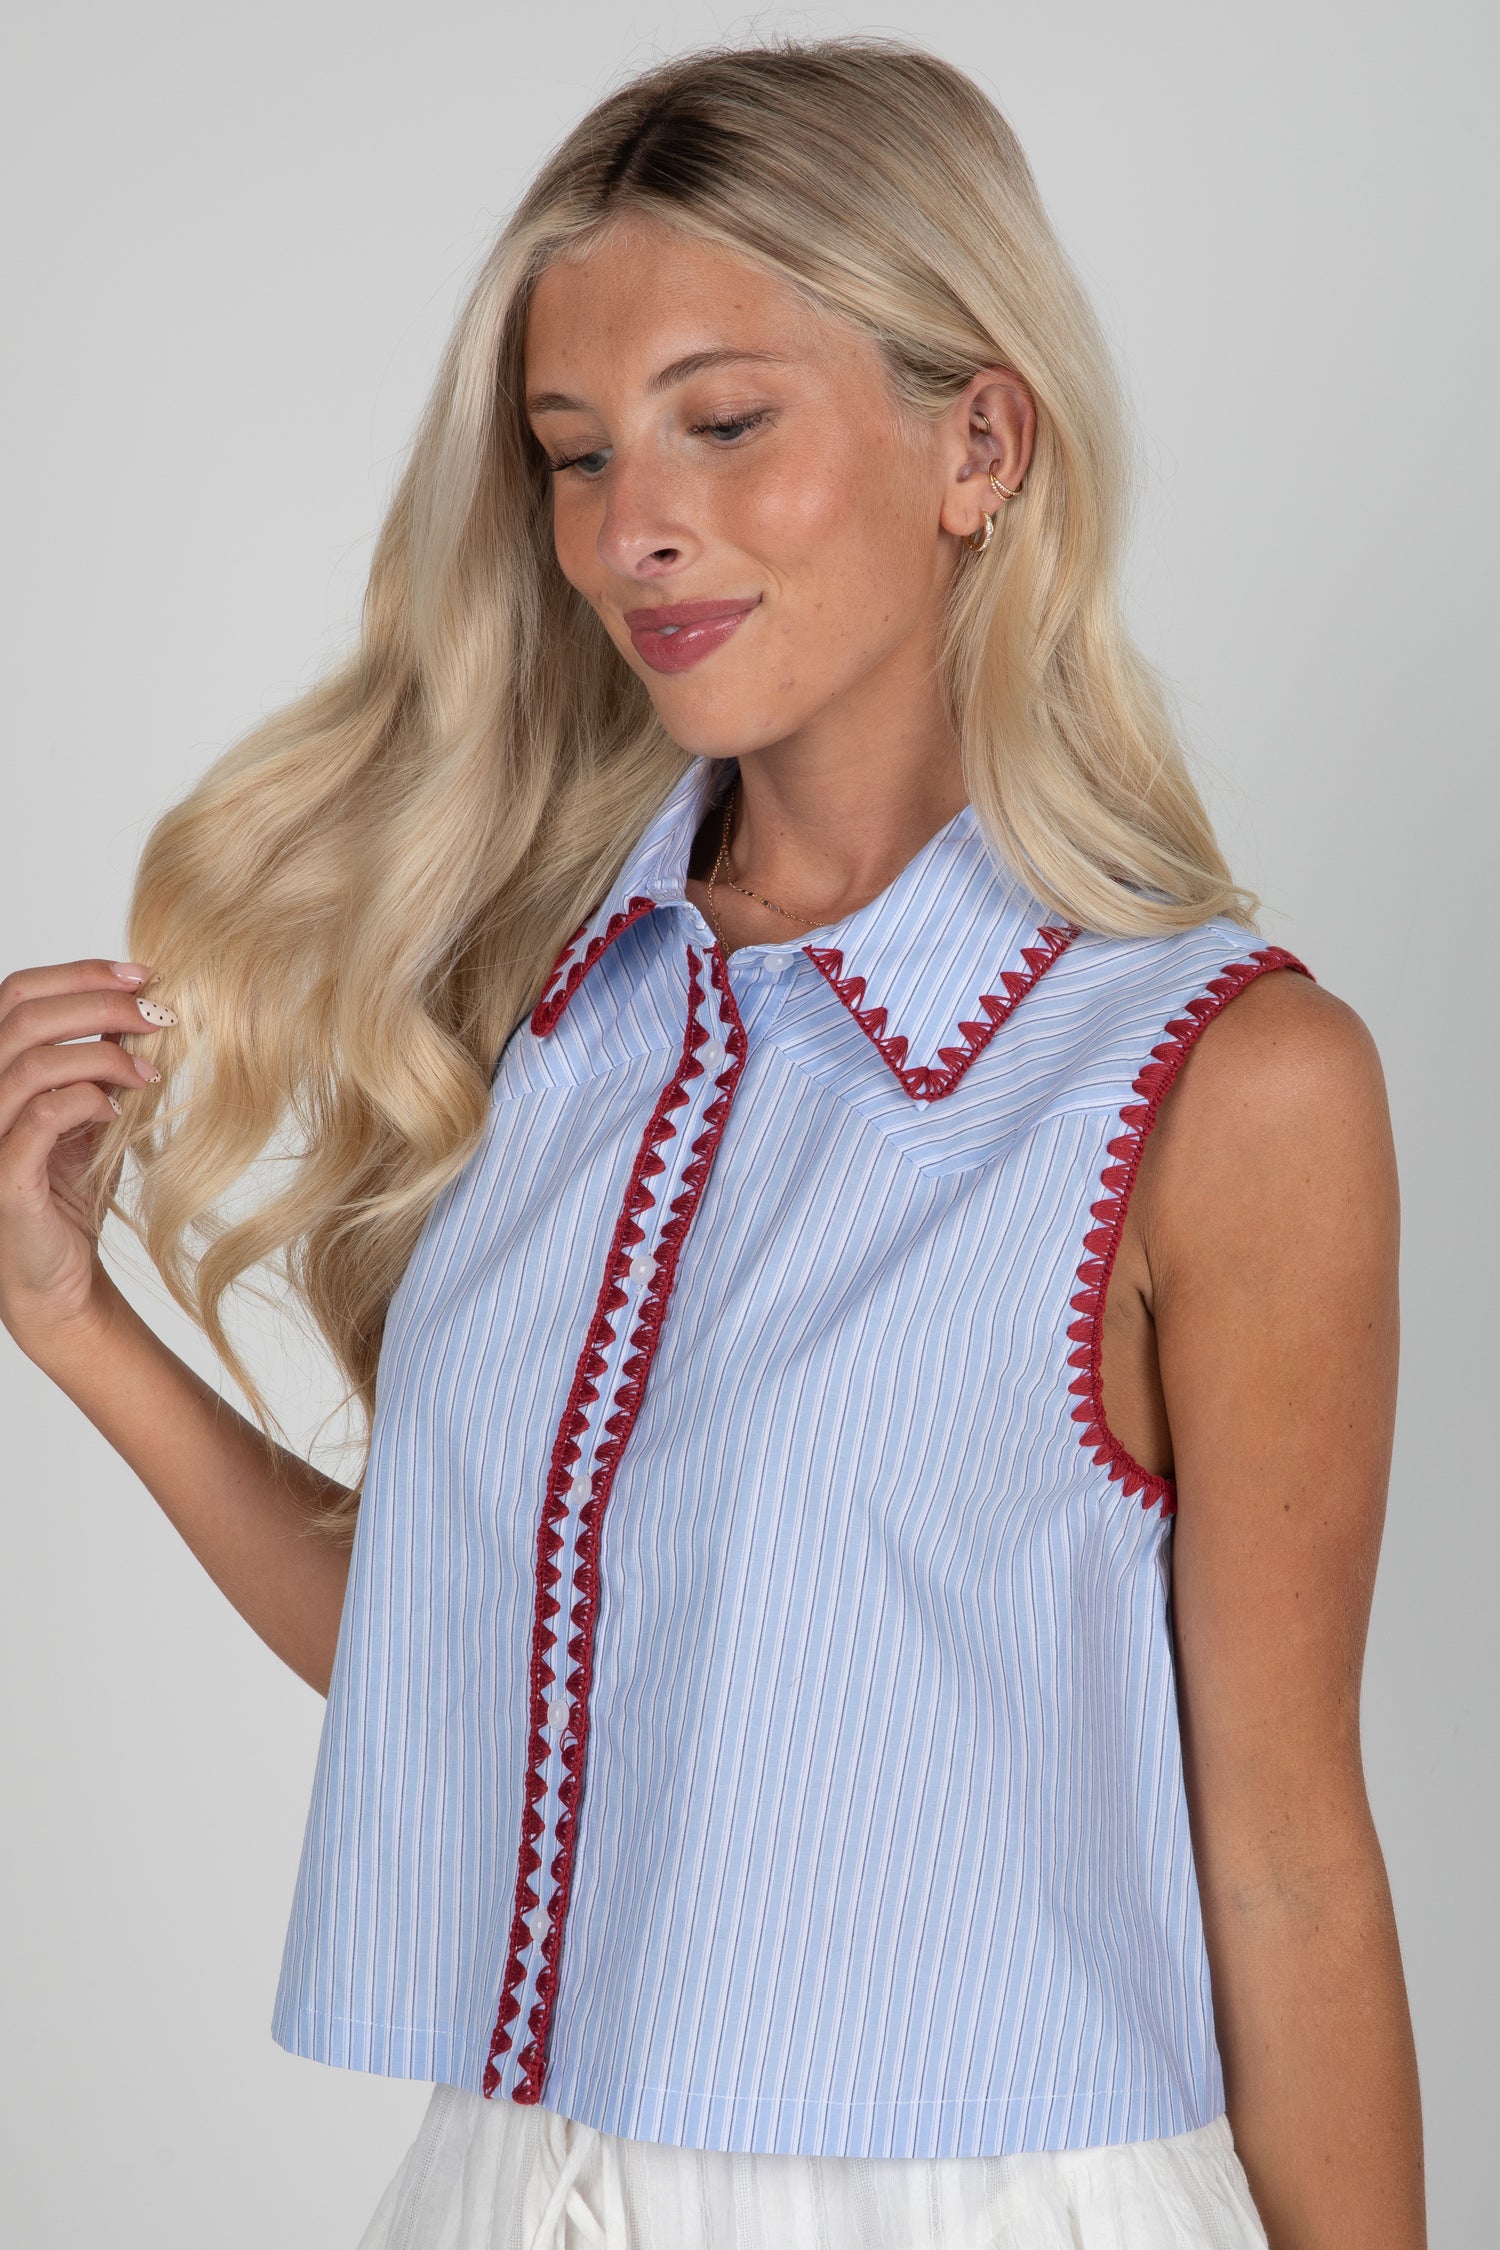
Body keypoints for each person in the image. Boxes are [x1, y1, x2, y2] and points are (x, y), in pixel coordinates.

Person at [0, 33, 1424, 2250]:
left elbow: (1290, 1855)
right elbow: (472, 1641)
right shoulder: (543, 1008)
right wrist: (76, 1323)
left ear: (983, 440)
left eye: (724, 422)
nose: (625, 525)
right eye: (573, 457)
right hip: (503, 2188)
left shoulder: (1221, 1084)